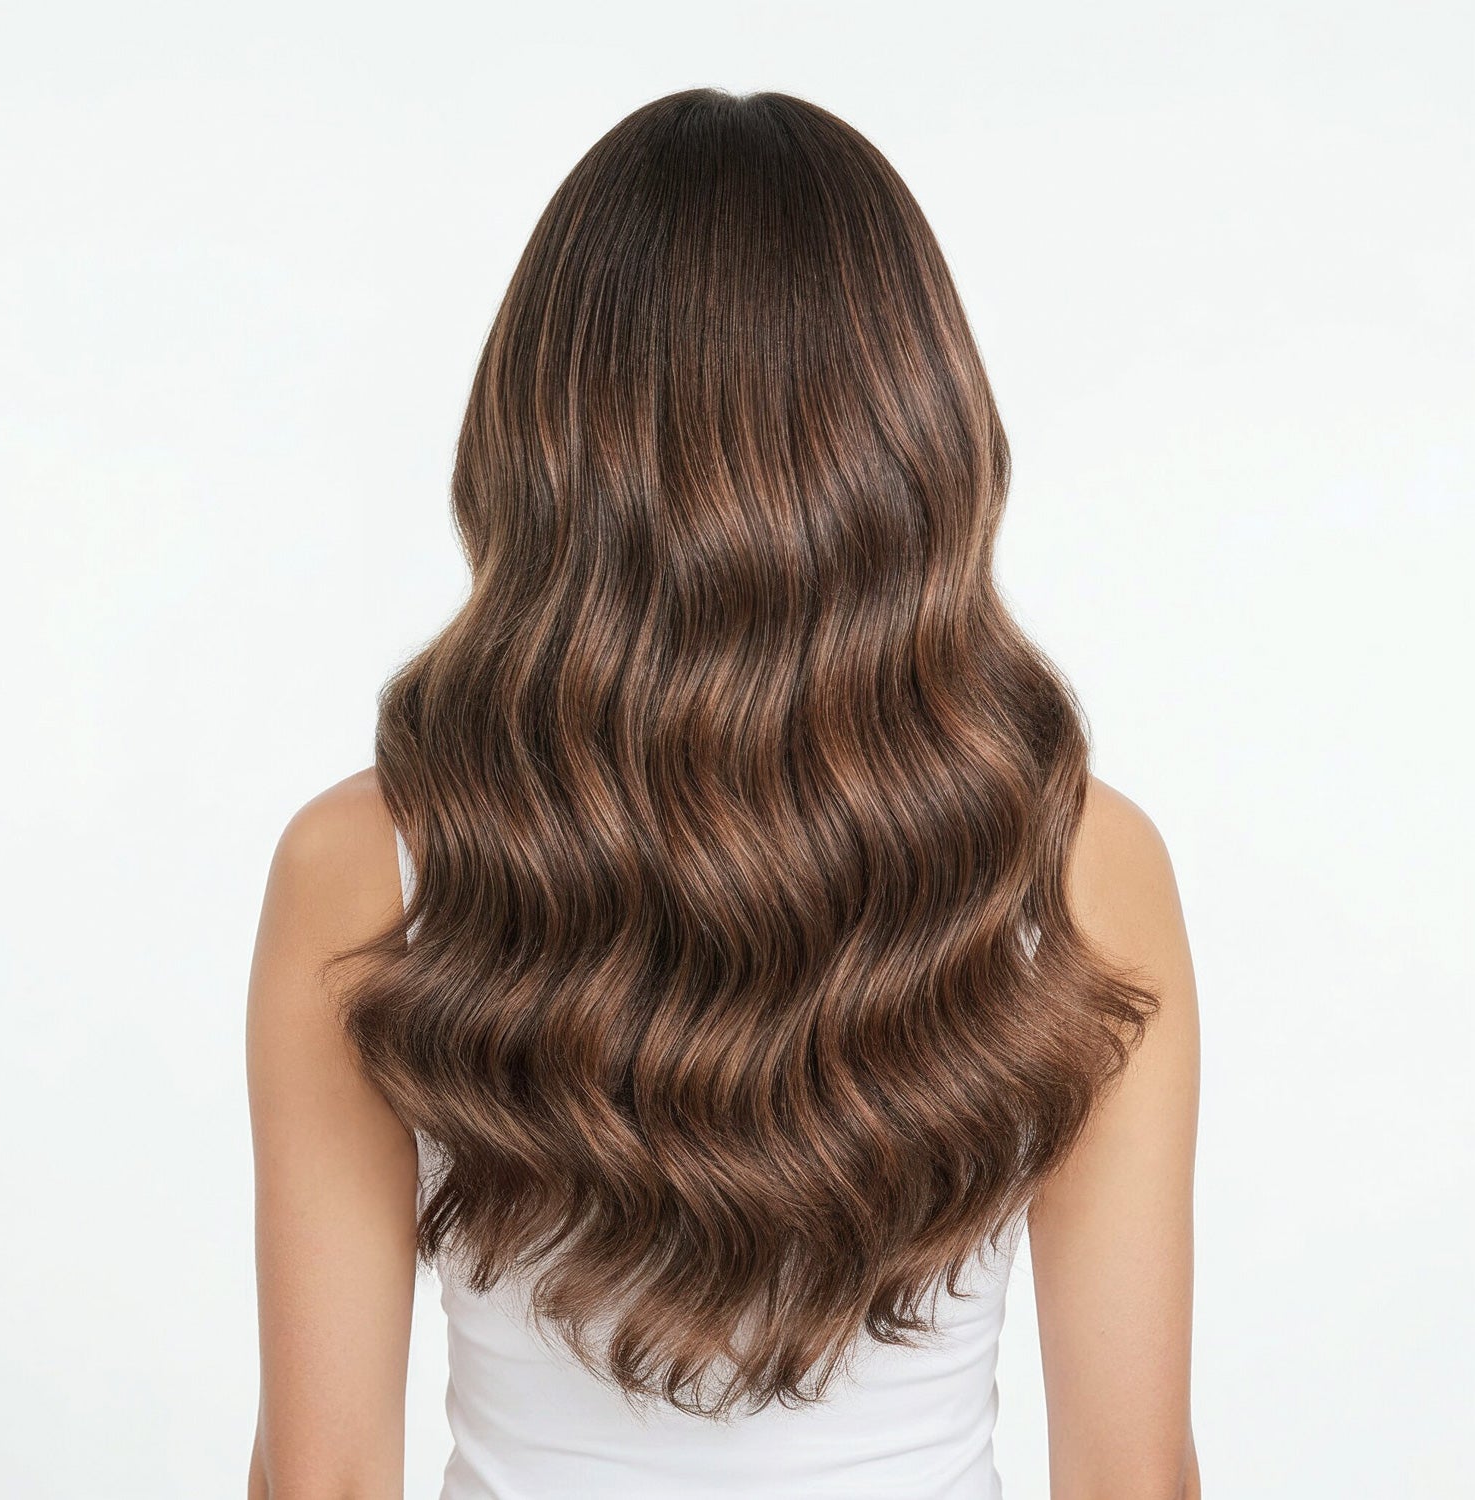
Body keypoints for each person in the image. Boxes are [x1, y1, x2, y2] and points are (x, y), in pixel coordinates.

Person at [246, 88, 1201, 1500]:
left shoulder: (366, 862)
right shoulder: (1075, 864)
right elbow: (1133, 1476)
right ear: (916, 440)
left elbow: (322, 1479)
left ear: (542, 436)